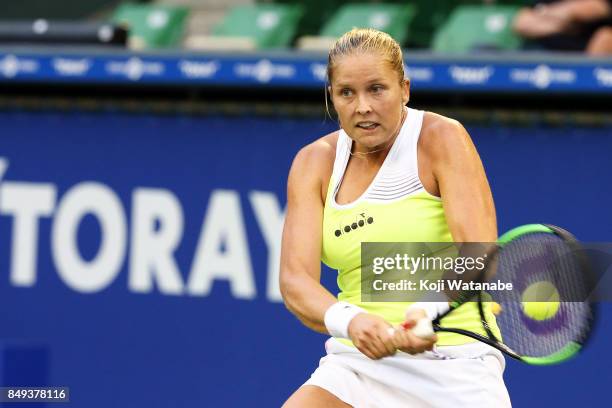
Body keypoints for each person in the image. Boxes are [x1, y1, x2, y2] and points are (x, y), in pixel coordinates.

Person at [279, 28, 511, 407]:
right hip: (356, 366)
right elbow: (295, 281)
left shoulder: (442, 138)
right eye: (346, 93)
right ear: (331, 97)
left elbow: (479, 254)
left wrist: (426, 312)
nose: (362, 107)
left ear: (404, 89)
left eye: (377, 89)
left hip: (453, 364)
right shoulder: (313, 162)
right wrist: (351, 321)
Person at [513, 0, 612, 55]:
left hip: (584, 49)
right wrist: (569, 25)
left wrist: (543, 14)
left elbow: (595, 9)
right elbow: (522, 24)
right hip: (544, 51)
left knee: (605, 36)